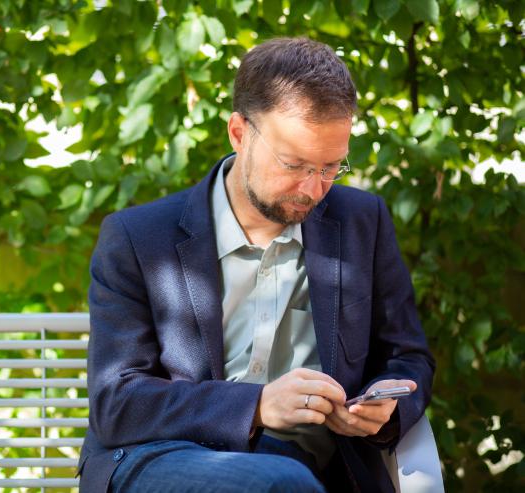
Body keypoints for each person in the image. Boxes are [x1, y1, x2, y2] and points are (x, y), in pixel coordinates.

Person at [77, 37, 435, 493]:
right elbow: (117, 403)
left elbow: (407, 357)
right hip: (160, 456)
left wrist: (384, 410)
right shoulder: (138, 238)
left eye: (331, 167)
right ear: (239, 133)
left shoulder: (363, 223)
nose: (312, 189)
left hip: (307, 467)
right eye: (294, 164)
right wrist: (259, 405)